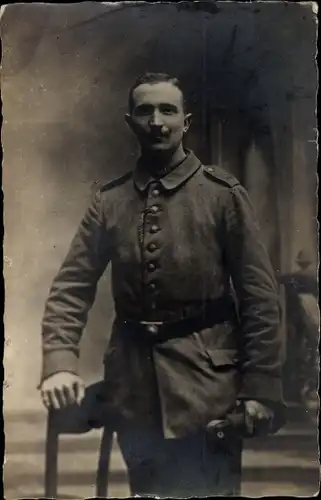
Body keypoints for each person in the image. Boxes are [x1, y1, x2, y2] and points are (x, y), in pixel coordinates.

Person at [39, 72, 285, 496]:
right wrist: (59, 363)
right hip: (134, 392)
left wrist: (261, 388)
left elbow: (260, 298)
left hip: (210, 391)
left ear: (185, 121)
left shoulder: (223, 195)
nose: (157, 121)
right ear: (130, 121)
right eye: (145, 110)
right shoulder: (110, 202)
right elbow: (71, 288)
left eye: (168, 110)